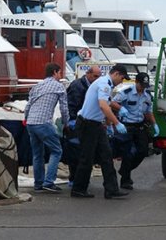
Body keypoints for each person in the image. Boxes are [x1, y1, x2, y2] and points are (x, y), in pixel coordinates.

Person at [71, 64, 130, 199]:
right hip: (87, 124)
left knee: (107, 155)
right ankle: (78, 189)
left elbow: (108, 103)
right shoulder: (104, 84)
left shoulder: (106, 84)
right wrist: (117, 122)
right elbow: (103, 105)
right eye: (121, 78)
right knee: (87, 158)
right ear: (115, 74)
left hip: (96, 125)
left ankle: (111, 189)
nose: (121, 82)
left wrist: (117, 111)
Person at [24, 63, 69, 193]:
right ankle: (49, 181)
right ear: (55, 72)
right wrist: (66, 123)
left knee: (38, 154)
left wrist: (26, 119)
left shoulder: (37, 86)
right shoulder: (59, 87)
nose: (61, 76)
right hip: (44, 122)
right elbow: (64, 108)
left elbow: (28, 106)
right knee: (57, 150)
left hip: (31, 123)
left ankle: (38, 184)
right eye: (60, 73)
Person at [111, 72, 160, 190]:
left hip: (140, 126)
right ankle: (126, 181)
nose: (143, 88)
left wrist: (155, 124)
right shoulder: (126, 92)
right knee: (127, 153)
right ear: (136, 82)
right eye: (142, 85)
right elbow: (112, 102)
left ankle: (124, 170)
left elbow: (148, 112)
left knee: (143, 151)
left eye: (145, 85)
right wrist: (121, 108)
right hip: (127, 126)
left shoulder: (147, 96)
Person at [65, 65, 101, 186]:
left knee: (85, 152)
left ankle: (80, 179)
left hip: (86, 122)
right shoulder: (78, 86)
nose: (97, 79)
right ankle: (74, 178)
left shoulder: (92, 86)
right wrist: (72, 120)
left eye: (99, 76)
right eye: (95, 76)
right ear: (88, 74)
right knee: (76, 152)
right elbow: (72, 105)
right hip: (77, 121)